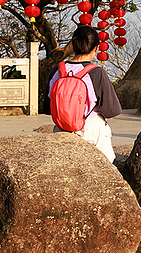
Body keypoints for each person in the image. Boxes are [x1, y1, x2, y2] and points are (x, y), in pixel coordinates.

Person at [48, 25, 122, 161]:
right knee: (108, 166)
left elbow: (47, 108)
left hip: (61, 129)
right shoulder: (96, 72)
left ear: (74, 46)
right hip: (91, 130)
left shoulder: (57, 70)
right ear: (96, 48)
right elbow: (112, 111)